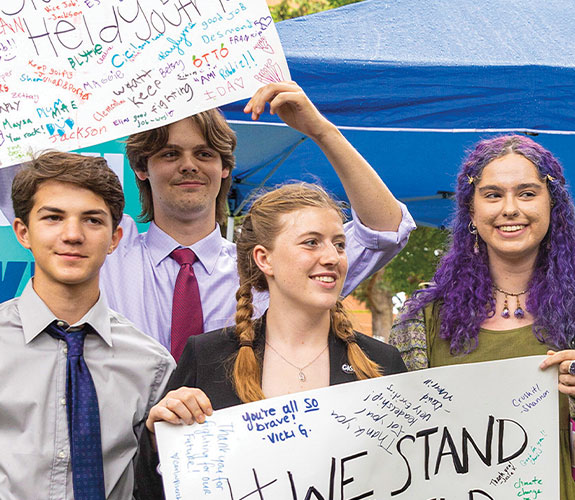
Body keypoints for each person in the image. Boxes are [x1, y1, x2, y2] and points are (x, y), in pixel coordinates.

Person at [387, 135, 575, 500]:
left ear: (553, 206)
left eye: (526, 193)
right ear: (471, 212)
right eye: (492, 195)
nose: (509, 209)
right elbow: (392, 450)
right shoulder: (423, 320)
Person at [135, 183, 407, 495]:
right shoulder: (207, 354)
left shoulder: (382, 362)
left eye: (339, 245)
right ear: (265, 259)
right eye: (311, 243)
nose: (332, 257)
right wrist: (159, 438)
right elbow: (151, 489)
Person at [109, 81, 414, 359]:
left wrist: (322, 131)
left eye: (204, 154)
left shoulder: (272, 266)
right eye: (170, 154)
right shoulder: (106, 256)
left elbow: (383, 230)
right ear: (141, 168)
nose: (188, 165)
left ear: (225, 167)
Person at [0, 152, 173, 500]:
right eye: (53, 217)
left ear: (115, 238)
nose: (73, 235)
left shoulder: (151, 364)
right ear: (23, 232)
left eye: (93, 220)